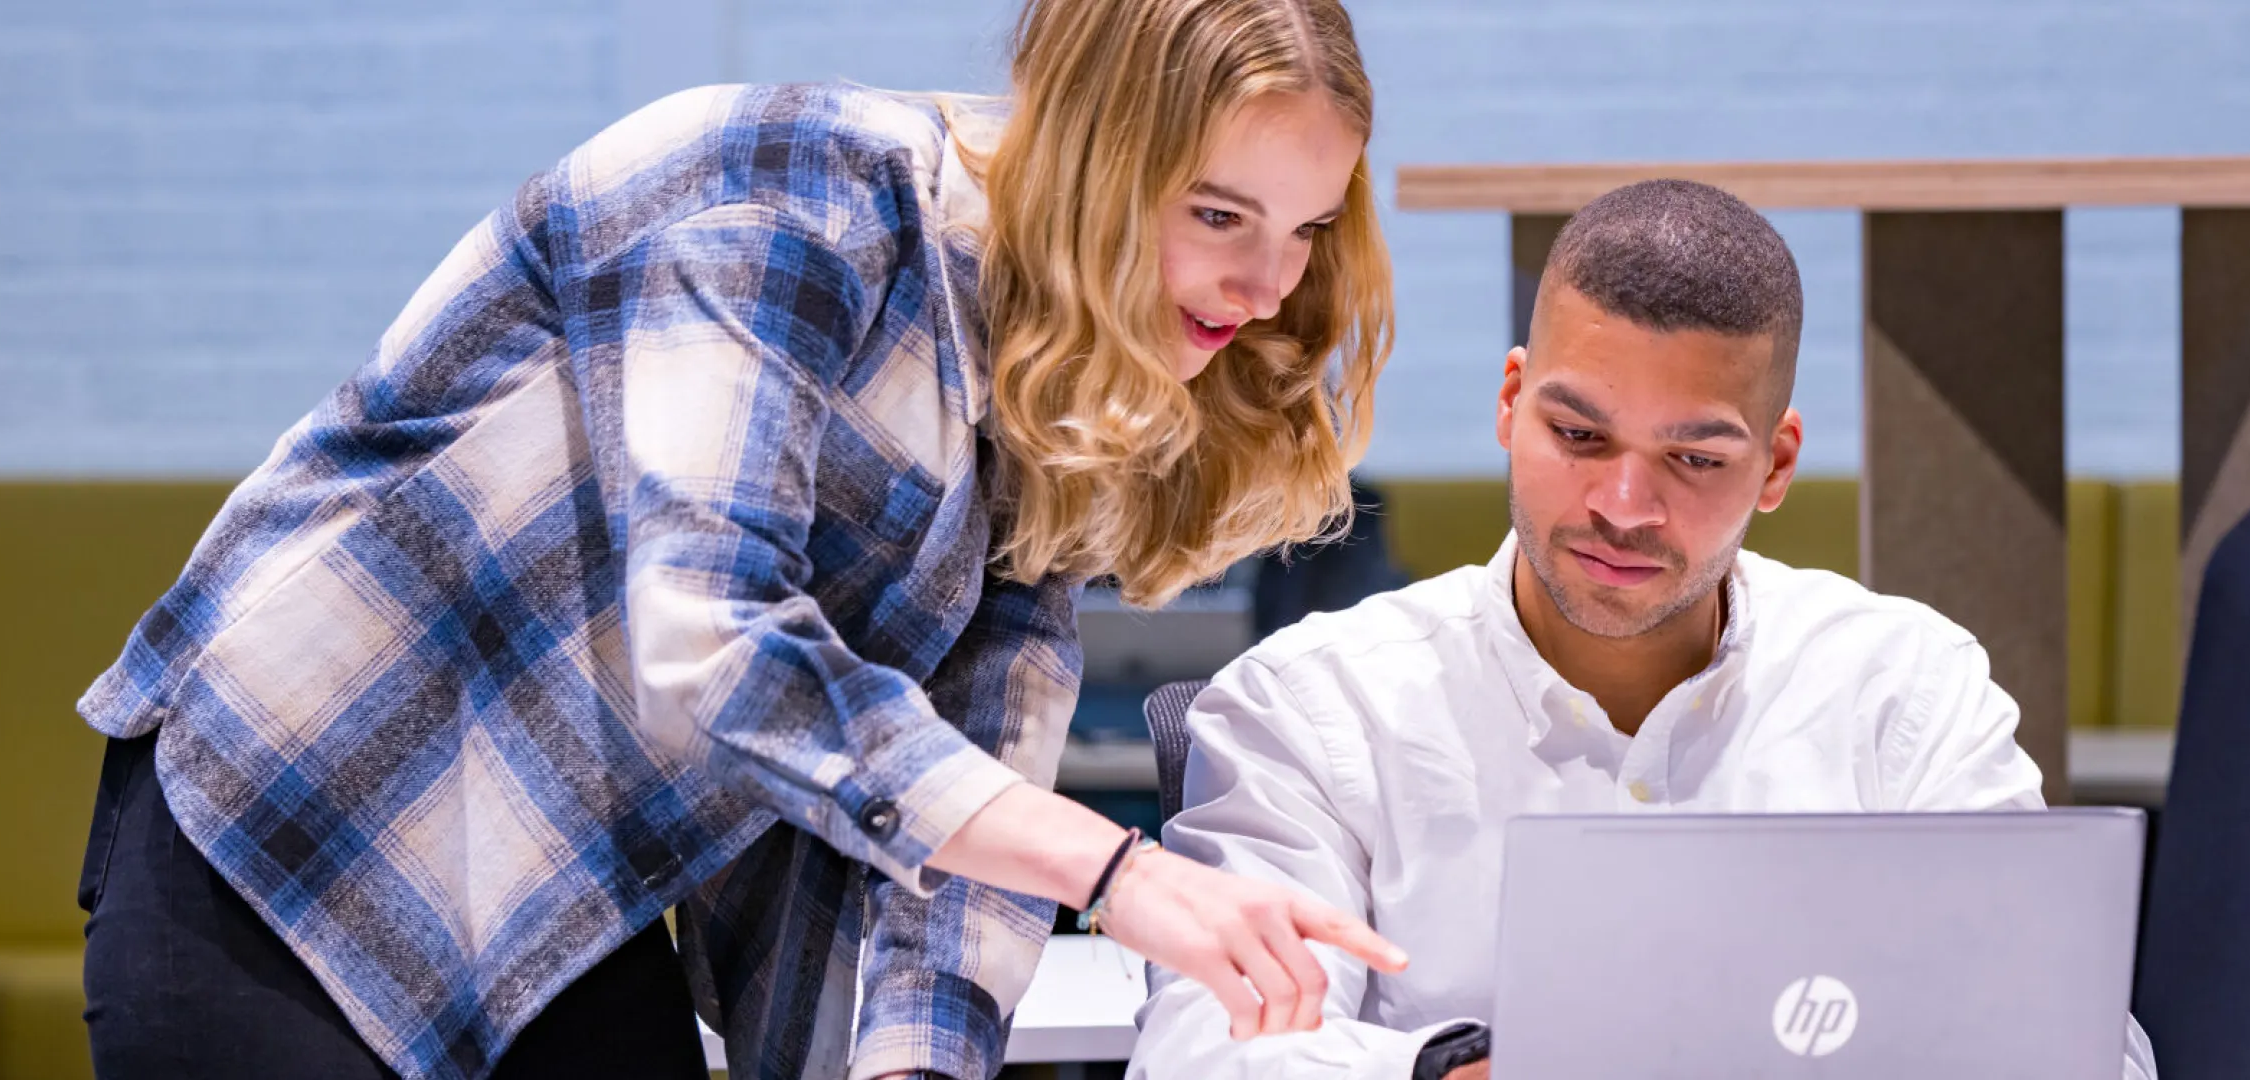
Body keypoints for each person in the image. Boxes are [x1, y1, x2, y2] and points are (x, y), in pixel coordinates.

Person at [73, 1, 1412, 1077]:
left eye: (1301, 229)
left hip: (562, 891)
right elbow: (716, 648)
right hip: (298, 825)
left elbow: (962, 779)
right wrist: (1120, 876)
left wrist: (913, 1067)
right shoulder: (791, 197)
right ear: (1087, 152)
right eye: (1218, 214)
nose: (1265, 286)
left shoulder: (1058, 376)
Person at [1129, 179, 2159, 1079]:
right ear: (1509, 402)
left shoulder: (1903, 694)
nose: (1624, 504)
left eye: (1696, 460)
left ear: (1778, 466)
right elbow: (1204, 1053)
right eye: (1578, 435)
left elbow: (2081, 1042)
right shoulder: (1315, 708)